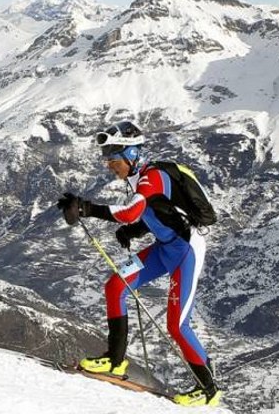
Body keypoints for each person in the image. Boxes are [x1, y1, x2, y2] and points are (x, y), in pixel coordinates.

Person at [55, 120, 222, 407]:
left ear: (131, 154)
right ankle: (114, 360)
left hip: (186, 252)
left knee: (177, 326)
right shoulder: (138, 179)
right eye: (107, 159)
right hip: (164, 248)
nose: (109, 165)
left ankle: (209, 390)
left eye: (113, 159)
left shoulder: (151, 177)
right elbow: (158, 212)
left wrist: (86, 208)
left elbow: (132, 211)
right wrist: (133, 232)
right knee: (115, 286)